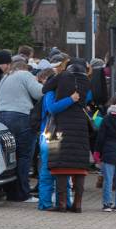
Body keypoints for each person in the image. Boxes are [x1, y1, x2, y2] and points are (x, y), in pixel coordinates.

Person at [42, 58, 93, 213]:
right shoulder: (86, 82)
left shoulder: (60, 79)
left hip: (60, 127)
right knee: (79, 165)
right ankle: (77, 205)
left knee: (60, 164)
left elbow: (46, 92)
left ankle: (62, 204)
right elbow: (89, 98)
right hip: (80, 128)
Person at [0, 61, 43, 202]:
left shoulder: (5, 77)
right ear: (25, 67)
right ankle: (23, 193)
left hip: (2, 116)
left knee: (10, 156)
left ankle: (10, 193)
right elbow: (39, 93)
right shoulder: (25, 74)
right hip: (21, 116)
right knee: (24, 156)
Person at [37, 68, 79, 210]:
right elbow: (52, 109)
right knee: (49, 170)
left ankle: (63, 202)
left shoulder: (58, 92)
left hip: (57, 135)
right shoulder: (50, 93)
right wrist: (70, 99)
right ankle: (45, 203)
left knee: (62, 170)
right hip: (51, 135)